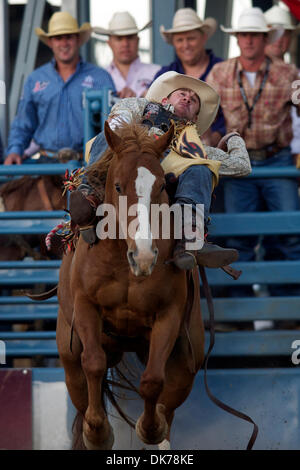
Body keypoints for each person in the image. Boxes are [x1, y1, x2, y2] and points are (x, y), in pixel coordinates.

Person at [69, 71, 251, 271]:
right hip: (129, 158)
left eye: (193, 100)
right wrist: (137, 139)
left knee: (201, 167)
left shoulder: (194, 147)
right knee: (110, 134)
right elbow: (119, 119)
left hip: (168, 169)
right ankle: (89, 197)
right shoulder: (140, 106)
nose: (187, 98)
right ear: (165, 99)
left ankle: (190, 235)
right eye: (182, 93)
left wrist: (234, 138)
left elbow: (242, 166)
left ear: (195, 117)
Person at [206, 7, 300, 291]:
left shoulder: (287, 72)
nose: (249, 41)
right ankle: (239, 309)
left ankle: (290, 306)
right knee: (238, 237)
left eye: (255, 36)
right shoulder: (220, 73)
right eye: (244, 35)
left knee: (289, 233)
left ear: (264, 39)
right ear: (237, 39)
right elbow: (206, 114)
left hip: (276, 159)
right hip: (238, 163)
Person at [4, 11, 115, 165]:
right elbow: (24, 122)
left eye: (68, 37)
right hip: (45, 165)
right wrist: (15, 150)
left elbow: (112, 125)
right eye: (58, 38)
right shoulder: (35, 79)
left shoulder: (101, 78)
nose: (64, 43)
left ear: (77, 40)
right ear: (50, 42)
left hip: (88, 165)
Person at [152, 7, 225, 146]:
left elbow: (233, 118)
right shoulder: (164, 75)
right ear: (173, 43)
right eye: (180, 40)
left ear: (203, 38)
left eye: (191, 38)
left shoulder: (224, 70)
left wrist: (214, 139)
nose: (185, 45)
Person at [94, 11, 160, 98]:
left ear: (137, 40)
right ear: (109, 43)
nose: (125, 44)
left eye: (130, 37)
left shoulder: (158, 73)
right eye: (119, 38)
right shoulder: (98, 78)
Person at [264, 5, 300, 162]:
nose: (279, 39)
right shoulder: (242, 74)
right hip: (249, 156)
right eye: (274, 34)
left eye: (285, 34)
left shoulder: (297, 76)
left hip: (291, 157)